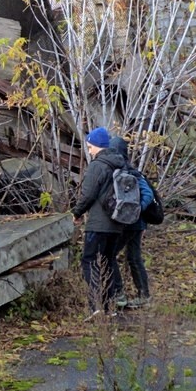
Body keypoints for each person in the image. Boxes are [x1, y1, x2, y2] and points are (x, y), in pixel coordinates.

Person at [71, 127, 128, 316]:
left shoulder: (98, 165)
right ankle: (109, 307)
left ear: (98, 146)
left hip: (98, 223)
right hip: (117, 223)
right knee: (108, 262)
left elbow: (88, 195)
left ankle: (95, 306)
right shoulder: (120, 164)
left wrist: (77, 212)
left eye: (90, 146)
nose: (89, 150)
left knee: (90, 261)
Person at [109, 134, 151, 309]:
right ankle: (144, 296)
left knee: (109, 255)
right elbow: (148, 194)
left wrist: (134, 210)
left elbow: (147, 194)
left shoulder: (122, 173)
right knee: (134, 257)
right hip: (137, 224)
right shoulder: (134, 172)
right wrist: (138, 210)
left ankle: (119, 294)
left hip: (129, 224)